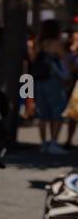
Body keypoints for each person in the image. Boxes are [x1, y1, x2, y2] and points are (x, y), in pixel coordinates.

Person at [31, 18, 68, 154]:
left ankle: (44, 143)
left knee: (43, 114)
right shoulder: (56, 43)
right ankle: (53, 142)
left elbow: (33, 59)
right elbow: (64, 59)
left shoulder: (38, 43)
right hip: (53, 81)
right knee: (57, 113)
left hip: (39, 80)